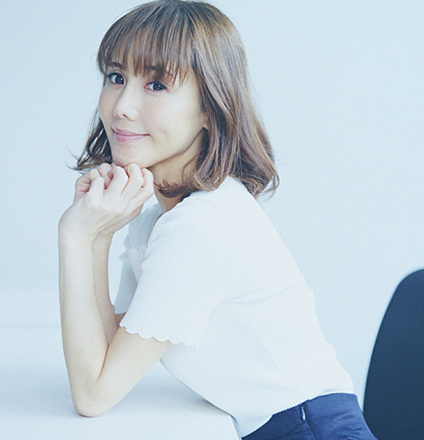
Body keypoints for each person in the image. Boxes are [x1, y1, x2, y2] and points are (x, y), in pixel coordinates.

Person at [57, 1, 377, 439]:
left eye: (156, 84)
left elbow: (94, 394)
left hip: (309, 427)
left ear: (210, 107)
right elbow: (108, 349)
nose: (122, 107)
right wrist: (97, 233)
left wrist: (74, 238)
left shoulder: (202, 226)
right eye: (116, 77)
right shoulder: (157, 221)